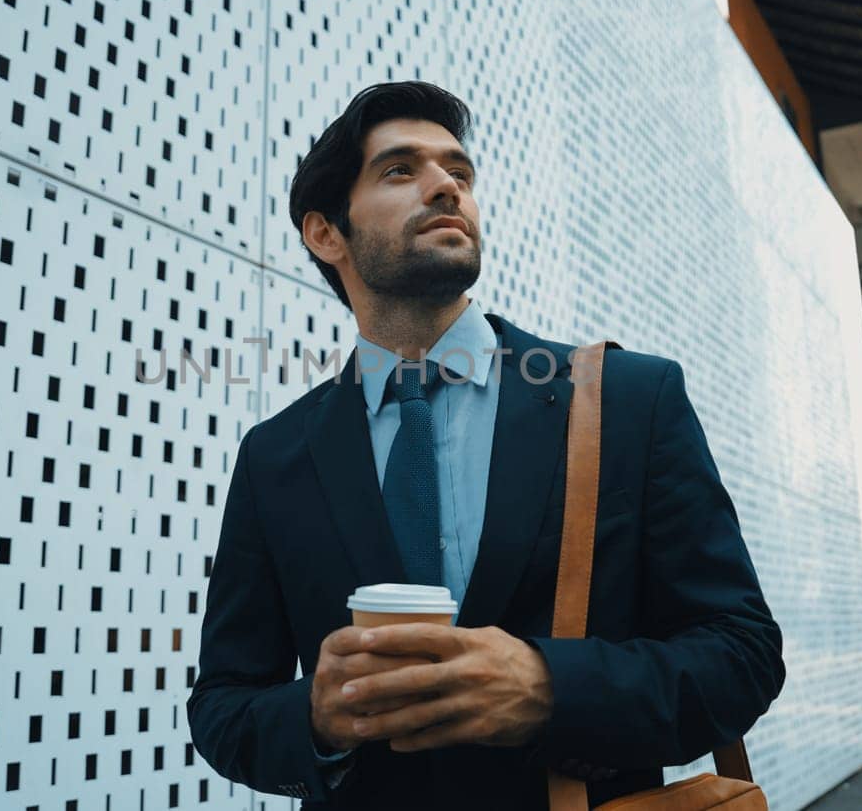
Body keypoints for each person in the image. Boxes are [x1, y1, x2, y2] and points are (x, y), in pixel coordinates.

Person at [187, 81, 785, 809]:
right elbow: (222, 706)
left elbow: (742, 653)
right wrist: (314, 717)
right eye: (400, 170)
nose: (446, 186)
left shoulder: (629, 399)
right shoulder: (274, 455)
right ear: (325, 234)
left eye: (459, 172)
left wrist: (546, 687)